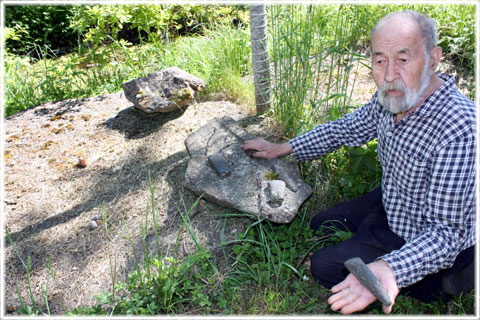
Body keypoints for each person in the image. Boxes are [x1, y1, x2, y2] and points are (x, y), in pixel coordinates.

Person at [243, 10, 475, 314]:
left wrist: (391, 270)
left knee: (325, 267)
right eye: (380, 61)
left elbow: (445, 234)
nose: (390, 74)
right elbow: (345, 129)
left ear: (433, 59)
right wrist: (284, 148)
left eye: (403, 60)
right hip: (397, 199)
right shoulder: (391, 98)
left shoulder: (462, 130)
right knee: (319, 224)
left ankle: (447, 281)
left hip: (428, 232)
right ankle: (371, 236)